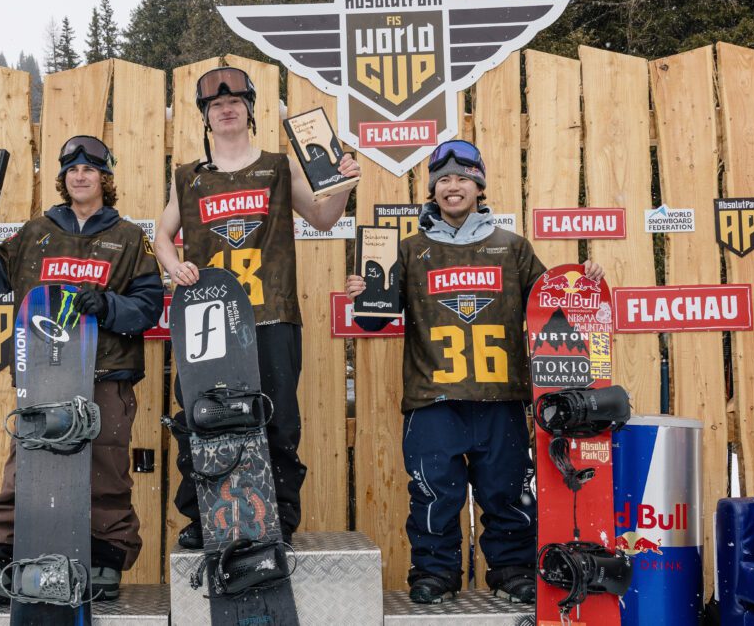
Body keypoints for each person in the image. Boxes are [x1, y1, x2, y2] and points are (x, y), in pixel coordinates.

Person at [346, 140, 604, 606]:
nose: (452, 186)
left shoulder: (512, 247)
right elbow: (372, 319)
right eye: (442, 179)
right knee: (433, 496)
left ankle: (511, 570)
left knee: (506, 493)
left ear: (479, 185)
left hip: (500, 397)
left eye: (462, 177)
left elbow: (554, 308)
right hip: (432, 399)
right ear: (432, 190)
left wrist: (581, 282)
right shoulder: (409, 250)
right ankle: (435, 572)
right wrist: (363, 293)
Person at [0, 135, 164, 602]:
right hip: (44, 369)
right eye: (72, 169)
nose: (80, 175)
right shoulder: (36, 231)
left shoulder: (127, 236)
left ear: (106, 177)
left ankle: (106, 555)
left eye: (90, 168)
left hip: (106, 370)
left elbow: (148, 306)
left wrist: (106, 304)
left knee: (106, 464)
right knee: (28, 463)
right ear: (63, 178)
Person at [153, 66, 361, 548]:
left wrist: (345, 183)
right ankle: (206, 514)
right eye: (215, 105)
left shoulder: (280, 166)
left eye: (235, 103)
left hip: (273, 312)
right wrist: (173, 266)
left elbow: (324, 217)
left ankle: (278, 519)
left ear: (250, 110)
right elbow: (162, 236)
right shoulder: (188, 176)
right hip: (209, 319)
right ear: (205, 117)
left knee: (278, 418)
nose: (226, 109)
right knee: (202, 416)